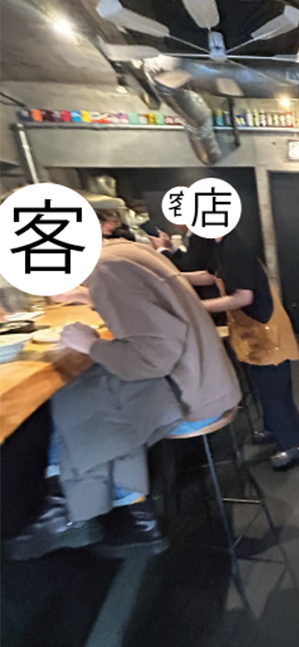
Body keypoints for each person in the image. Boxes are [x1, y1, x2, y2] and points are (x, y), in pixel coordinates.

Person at [4, 237, 241, 561]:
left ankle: (78, 509)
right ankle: (122, 511)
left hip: (194, 398)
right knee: (89, 388)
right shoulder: (122, 253)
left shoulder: (107, 269)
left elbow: (155, 357)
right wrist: (87, 302)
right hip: (204, 379)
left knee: (83, 397)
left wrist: (91, 345)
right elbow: (148, 312)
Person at [183, 230, 299, 471]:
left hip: (265, 332)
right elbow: (210, 276)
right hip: (252, 333)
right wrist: (174, 277)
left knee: (275, 394)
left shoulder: (235, 249)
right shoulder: (221, 247)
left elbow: (243, 297)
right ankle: (274, 429)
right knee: (263, 391)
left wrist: (196, 306)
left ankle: (295, 444)